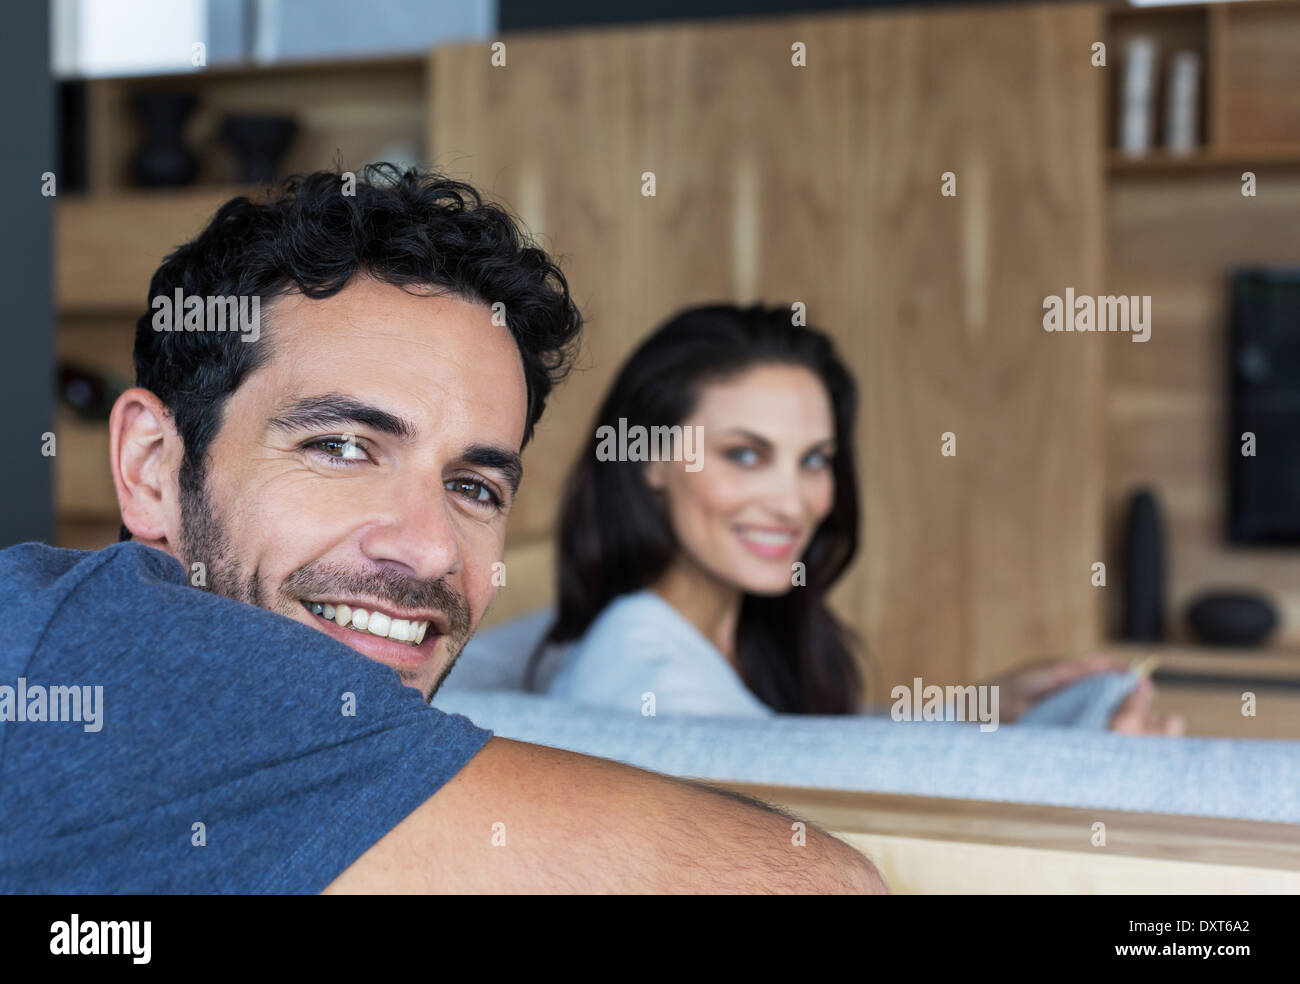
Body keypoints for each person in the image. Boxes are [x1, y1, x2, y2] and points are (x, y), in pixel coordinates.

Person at [0, 168, 885, 894]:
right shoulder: (97, 650)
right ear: (151, 465)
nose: (428, 549)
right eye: (342, 446)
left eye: (472, 485)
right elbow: (816, 886)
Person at [536, 304, 1183, 735]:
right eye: (745, 454)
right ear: (647, 460)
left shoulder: (738, 639)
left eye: (813, 460)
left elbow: (810, 754)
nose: (794, 503)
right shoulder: (639, 674)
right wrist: (1090, 777)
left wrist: (990, 711)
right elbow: (807, 819)